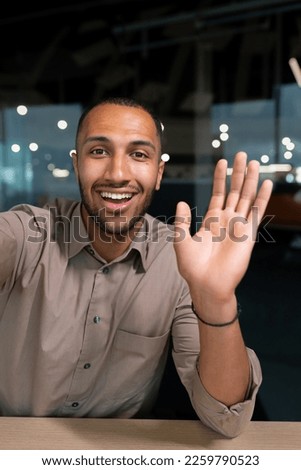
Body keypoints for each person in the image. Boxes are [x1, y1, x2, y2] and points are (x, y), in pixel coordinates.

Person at [0, 97, 273, 438]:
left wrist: (216, 299)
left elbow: (226, 418)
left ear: (158, 173)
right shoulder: (26, 232)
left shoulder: (180, 261)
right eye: (98, 151)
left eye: (139, 154)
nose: (117, 174)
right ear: (76, 165)